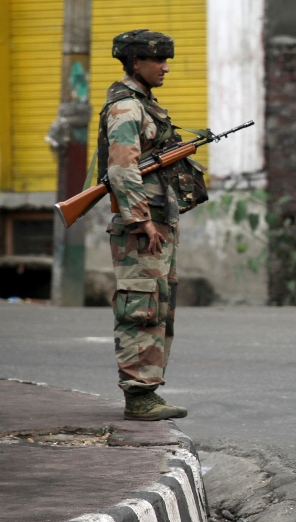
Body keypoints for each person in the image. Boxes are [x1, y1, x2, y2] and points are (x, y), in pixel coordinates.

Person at [102, 29, 207, 421]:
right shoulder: (126, 108)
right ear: (134, 62)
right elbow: (122, 168)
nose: (165, 67)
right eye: (158, 60)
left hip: (158, 224)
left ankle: (149, 389)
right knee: (140, 306)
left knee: (160, 306)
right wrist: (141, 220)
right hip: (141, 227)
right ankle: (138, 395)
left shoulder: (145, 105)